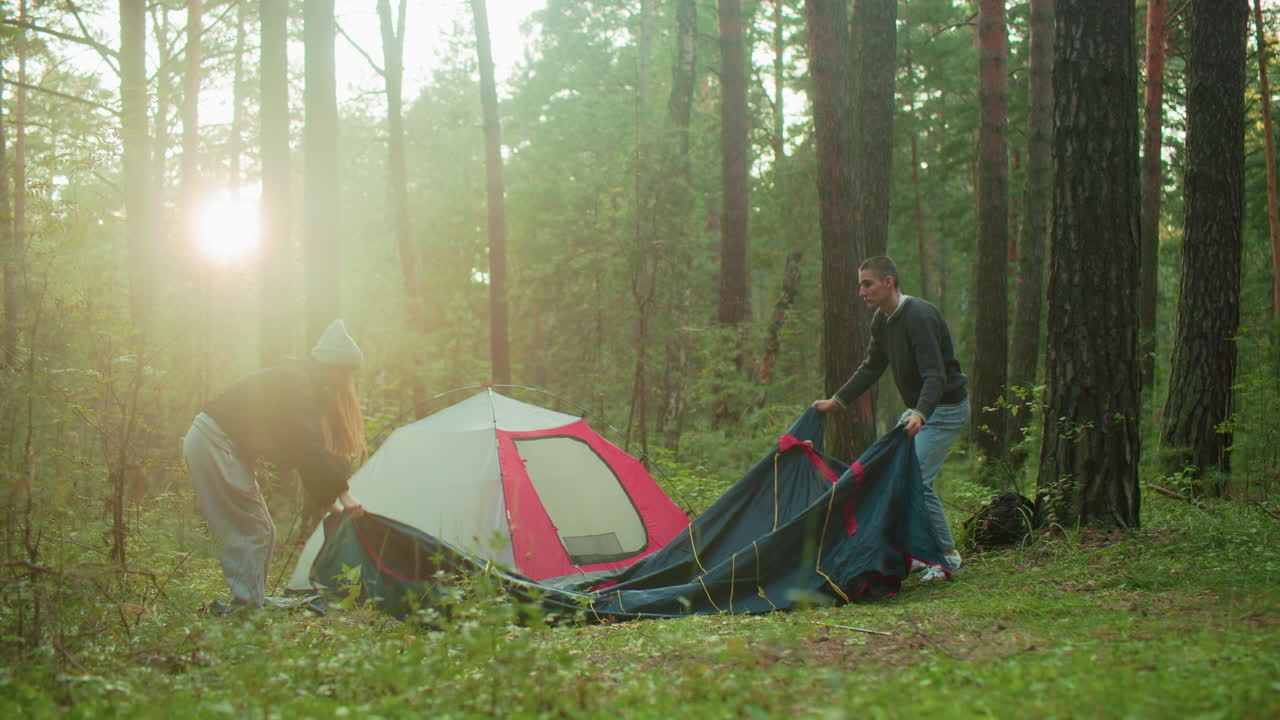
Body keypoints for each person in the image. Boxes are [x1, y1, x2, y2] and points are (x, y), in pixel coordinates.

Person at [183, 319, 368, 611]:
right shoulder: (296, 381)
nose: (346, 380)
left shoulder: (303, 384)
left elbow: (299, 446)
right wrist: (342, 493)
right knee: (254, 528)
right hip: (213, 440)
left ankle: (252, 600)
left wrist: (330, 497)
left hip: (219, 443)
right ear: (331, 365)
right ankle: (247, 608)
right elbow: (306, 444)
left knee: (261, 527)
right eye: (345, 372)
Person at [811, 256, 969, 582]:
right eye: (860, 284)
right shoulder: (882, 321)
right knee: (894, 475)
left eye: (867, 283)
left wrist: (921, 414)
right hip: (921, 410)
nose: (861, 291)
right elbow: (872, 366)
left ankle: (948, 557)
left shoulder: (919, 316)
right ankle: (918, 554)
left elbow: (935, 376)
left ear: (889, 282)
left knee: (919, 481)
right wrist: (837, 401)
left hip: (945, 410)